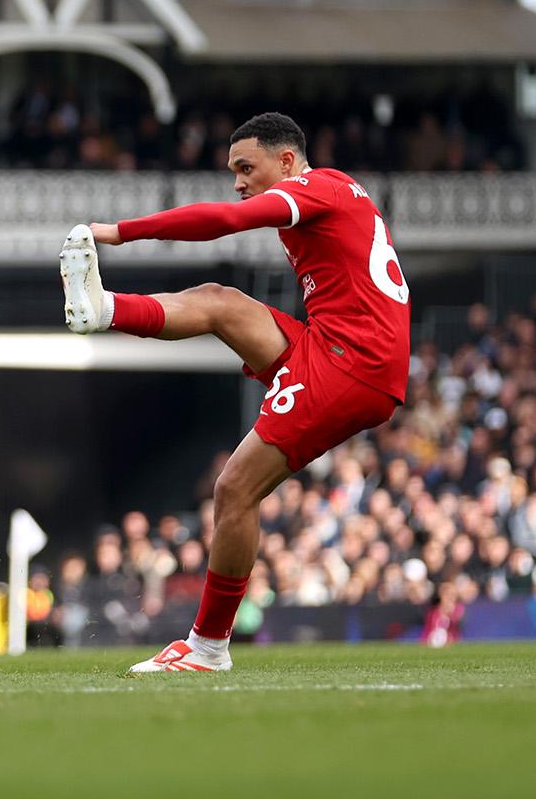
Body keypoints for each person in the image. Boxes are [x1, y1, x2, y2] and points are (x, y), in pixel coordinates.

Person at [61, 112, 410, 673]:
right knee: (219, 301)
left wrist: (118, 231)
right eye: (234, 171)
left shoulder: (311, 189)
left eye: (247, 168)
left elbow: (224, 219)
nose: (239, 182)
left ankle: (207, 647)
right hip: (333, 347)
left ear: (288, 162)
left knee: (234, 489)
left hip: (352, 363)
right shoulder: (338, 188)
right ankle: (102, 310)